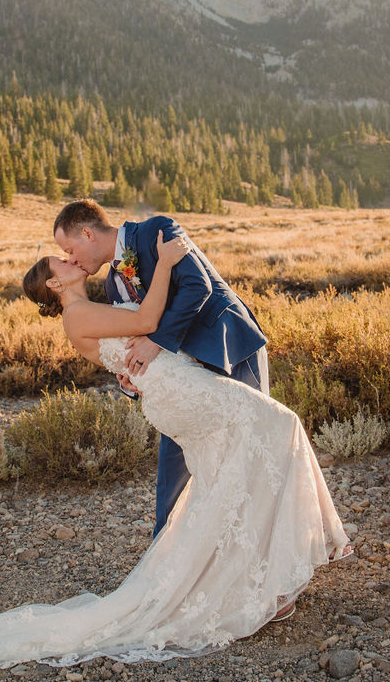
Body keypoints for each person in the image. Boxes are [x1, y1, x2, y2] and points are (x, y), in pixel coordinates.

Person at [0, 233, 350, 682]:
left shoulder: (92, 305)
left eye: (69, 253)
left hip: (176, 387)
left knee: (228, 474)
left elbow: (134, 346)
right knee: (277, 427)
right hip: (182, 393)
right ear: (55, 286)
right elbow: (149, 318)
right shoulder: (77, 314)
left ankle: (262, 579)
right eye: (63, 262)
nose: (72, 260)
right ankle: (268, 574)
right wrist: (167, 262)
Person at [53, 199, 269, 537]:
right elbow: (129, 335)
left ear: (86, 233)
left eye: (69, 248)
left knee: (253, 448)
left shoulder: (158, 229)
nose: (72, 259)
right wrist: (130, 379)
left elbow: (199, 286)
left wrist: (157, 342)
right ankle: (165, 556)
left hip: (226, 347)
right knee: (174, 464)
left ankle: (274, 541)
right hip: (179, 377)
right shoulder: (112, 285)